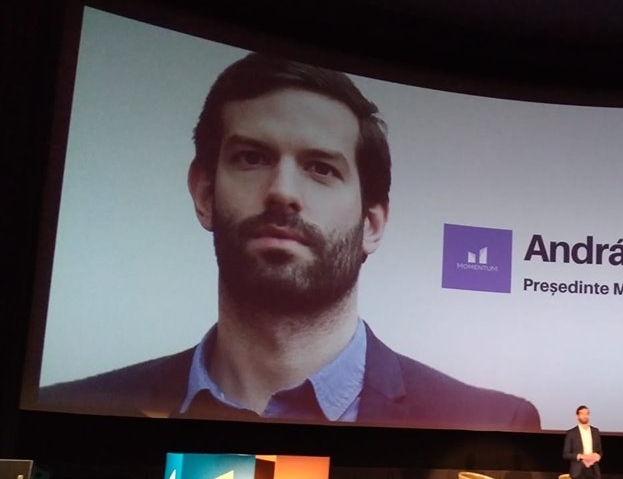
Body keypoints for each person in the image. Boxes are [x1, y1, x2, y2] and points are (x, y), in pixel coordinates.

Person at [38, 52, 540, 432]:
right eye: (252, 158)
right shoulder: (75, 406)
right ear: (205, 194)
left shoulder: (494, 420)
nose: (282, 192)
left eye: (321, 168)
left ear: (372, 224)